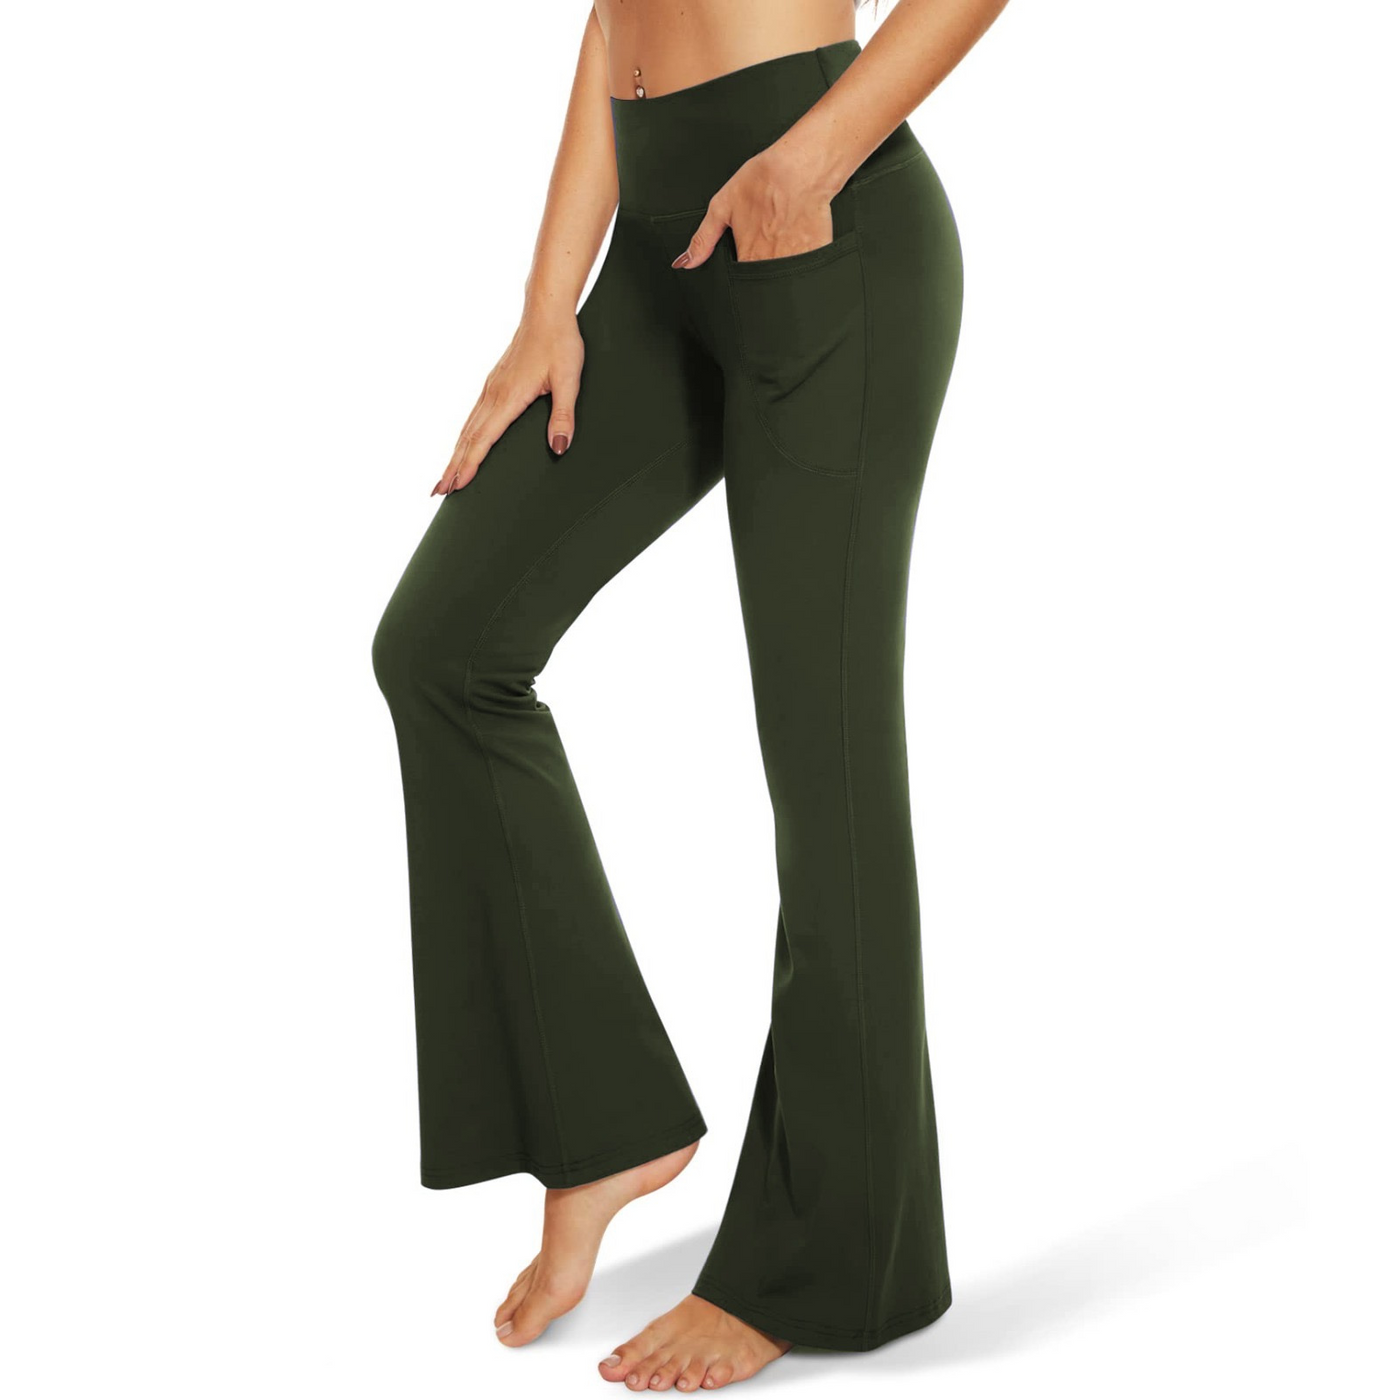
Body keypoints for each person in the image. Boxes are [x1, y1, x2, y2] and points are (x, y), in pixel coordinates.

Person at [371, 0, 1009, 1389]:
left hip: (822, 224)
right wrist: (547, 306)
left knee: (826, 762)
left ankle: (838, 1260)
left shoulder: (818, 177)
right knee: (443, 652)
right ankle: (603, 1130)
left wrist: (818, 154)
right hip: (656, 253)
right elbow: (616, 17)